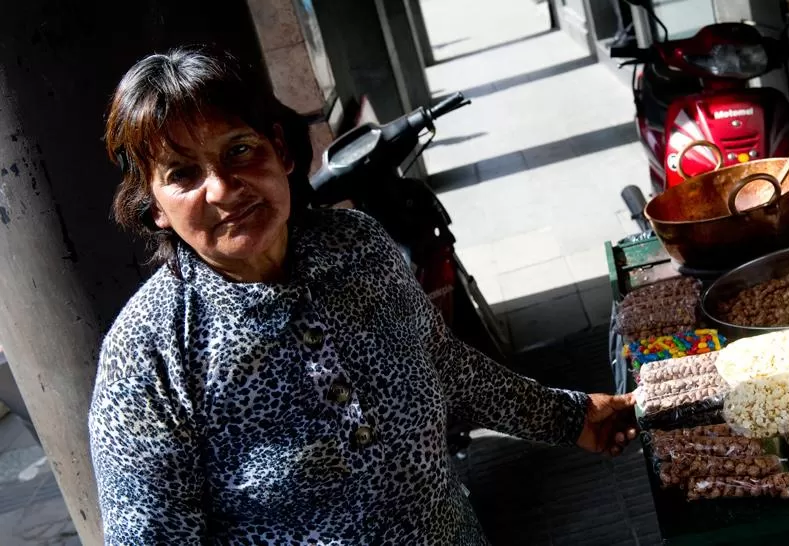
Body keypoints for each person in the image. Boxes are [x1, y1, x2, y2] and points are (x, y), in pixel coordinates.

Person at [89, 46, 638, 545]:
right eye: (183, 174)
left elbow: (444, 365)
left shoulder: (358, 247)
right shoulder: (148, 356)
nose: (224, 189)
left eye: (239, 150)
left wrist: (570, 417)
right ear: (155, 205)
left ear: (279, 149)